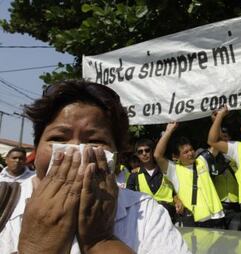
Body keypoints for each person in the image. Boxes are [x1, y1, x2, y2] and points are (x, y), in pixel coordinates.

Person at [0, 80, 189, 253]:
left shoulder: (144, 212)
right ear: (37, 146)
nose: (75, 150)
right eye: (58, 138)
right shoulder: (5, 203)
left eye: (94, 140)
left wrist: (100, 241)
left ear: (117, 154)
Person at [154, 122, 225, 228]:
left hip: (217, 217)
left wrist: (217, 120)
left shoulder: (202, 161)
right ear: (175, 157)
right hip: (197, 221)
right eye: (185, 152)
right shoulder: (174, 170)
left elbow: (217, 143)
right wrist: (169, 131)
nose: (190, 153)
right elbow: (157, 155)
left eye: (191, 150)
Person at [127, 138, 184, 222]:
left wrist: (178, 201)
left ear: (152, 151)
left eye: (147, 150)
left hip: (169, 217)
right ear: (137, 155)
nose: (144, 154)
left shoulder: (165, 170)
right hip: (146, 221)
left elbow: (175, 191)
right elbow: (129, 199)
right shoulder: (134, 176)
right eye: (140, 152)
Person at [198, 125, 241, 231]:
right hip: (218, 206)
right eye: (219, 138)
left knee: (235, 240)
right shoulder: (209, 158)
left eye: (225, 137)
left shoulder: (238, 155)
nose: (222, 140)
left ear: (230, 139)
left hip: (236, 206)